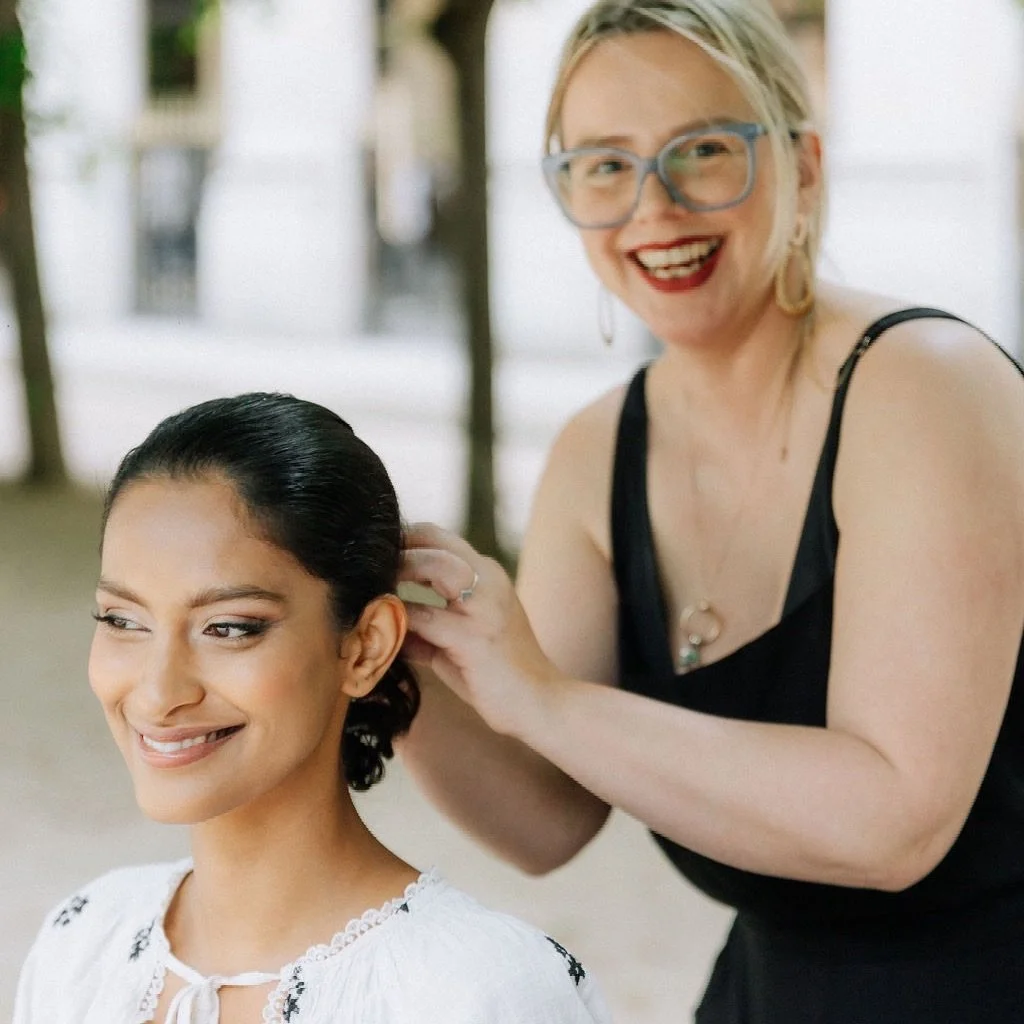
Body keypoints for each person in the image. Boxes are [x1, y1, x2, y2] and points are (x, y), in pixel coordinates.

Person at [397, 1, 1024, 1020]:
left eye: (701, 150)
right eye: (602, 166)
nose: (653, 207)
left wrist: (543, 696)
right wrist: (401, 657)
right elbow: (546, 816)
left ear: (803, 165)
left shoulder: (924, 385)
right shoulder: (596, 451)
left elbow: (892, 820)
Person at [12, 394, 611, 1024]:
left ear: (364, 647)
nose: (159, 693)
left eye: (231, 628)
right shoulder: (81, 944)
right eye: (122, 620)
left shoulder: (477, 992)